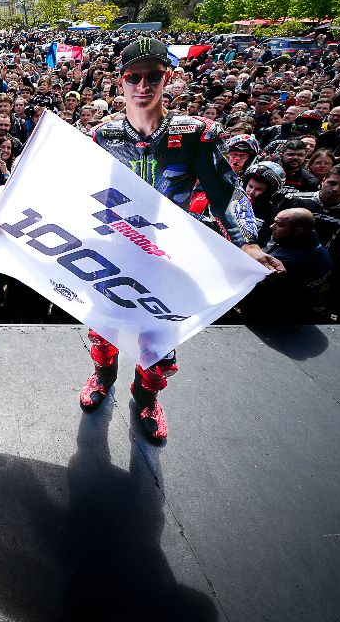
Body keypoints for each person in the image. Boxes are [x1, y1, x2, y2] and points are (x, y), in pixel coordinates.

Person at [80, 38, 283, 444]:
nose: (143, 85)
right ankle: (103, 377)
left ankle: (146, 397)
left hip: (169, 256)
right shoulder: (103, 134)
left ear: (166, 78)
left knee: (161, 341)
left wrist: (248, 244)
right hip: (115, 250)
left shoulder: (197, 134)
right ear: (120, 82)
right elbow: (77, 189)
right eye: (134, 77)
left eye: (153, 76)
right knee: (103, 328)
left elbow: (227, 192)